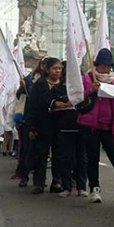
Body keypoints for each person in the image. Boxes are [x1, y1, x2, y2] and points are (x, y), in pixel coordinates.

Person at [78, 48, 114, 203]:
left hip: (110, 126)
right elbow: (80, 96)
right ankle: (94, 188)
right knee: (93, 157)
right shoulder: (89, 77)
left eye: (109, 66)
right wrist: (91, 89)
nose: (106, 69)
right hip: (91, 125)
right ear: (97, 65)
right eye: (103, 65)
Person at [23, 57, 64, 195]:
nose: (58, 71)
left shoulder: (64, 86)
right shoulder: (39, 85)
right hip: (41, 125)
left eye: (59, 68)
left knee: (58, 154)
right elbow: (31, 107)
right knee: (41, 155)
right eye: (55, 68)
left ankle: (57, 181)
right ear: (47, 69)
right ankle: (39, 183)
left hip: (60, 125)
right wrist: (31, 127)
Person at [50, 62, 87, 198]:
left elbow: (89, 103)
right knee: (66, 158)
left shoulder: (84, 89)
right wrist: (55, 103)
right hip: (64, 128)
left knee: (81, 158)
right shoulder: (58, 88)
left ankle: (82, 186)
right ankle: (66, 187)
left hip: (82, 127)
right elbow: (49, 103)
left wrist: (78, 101)